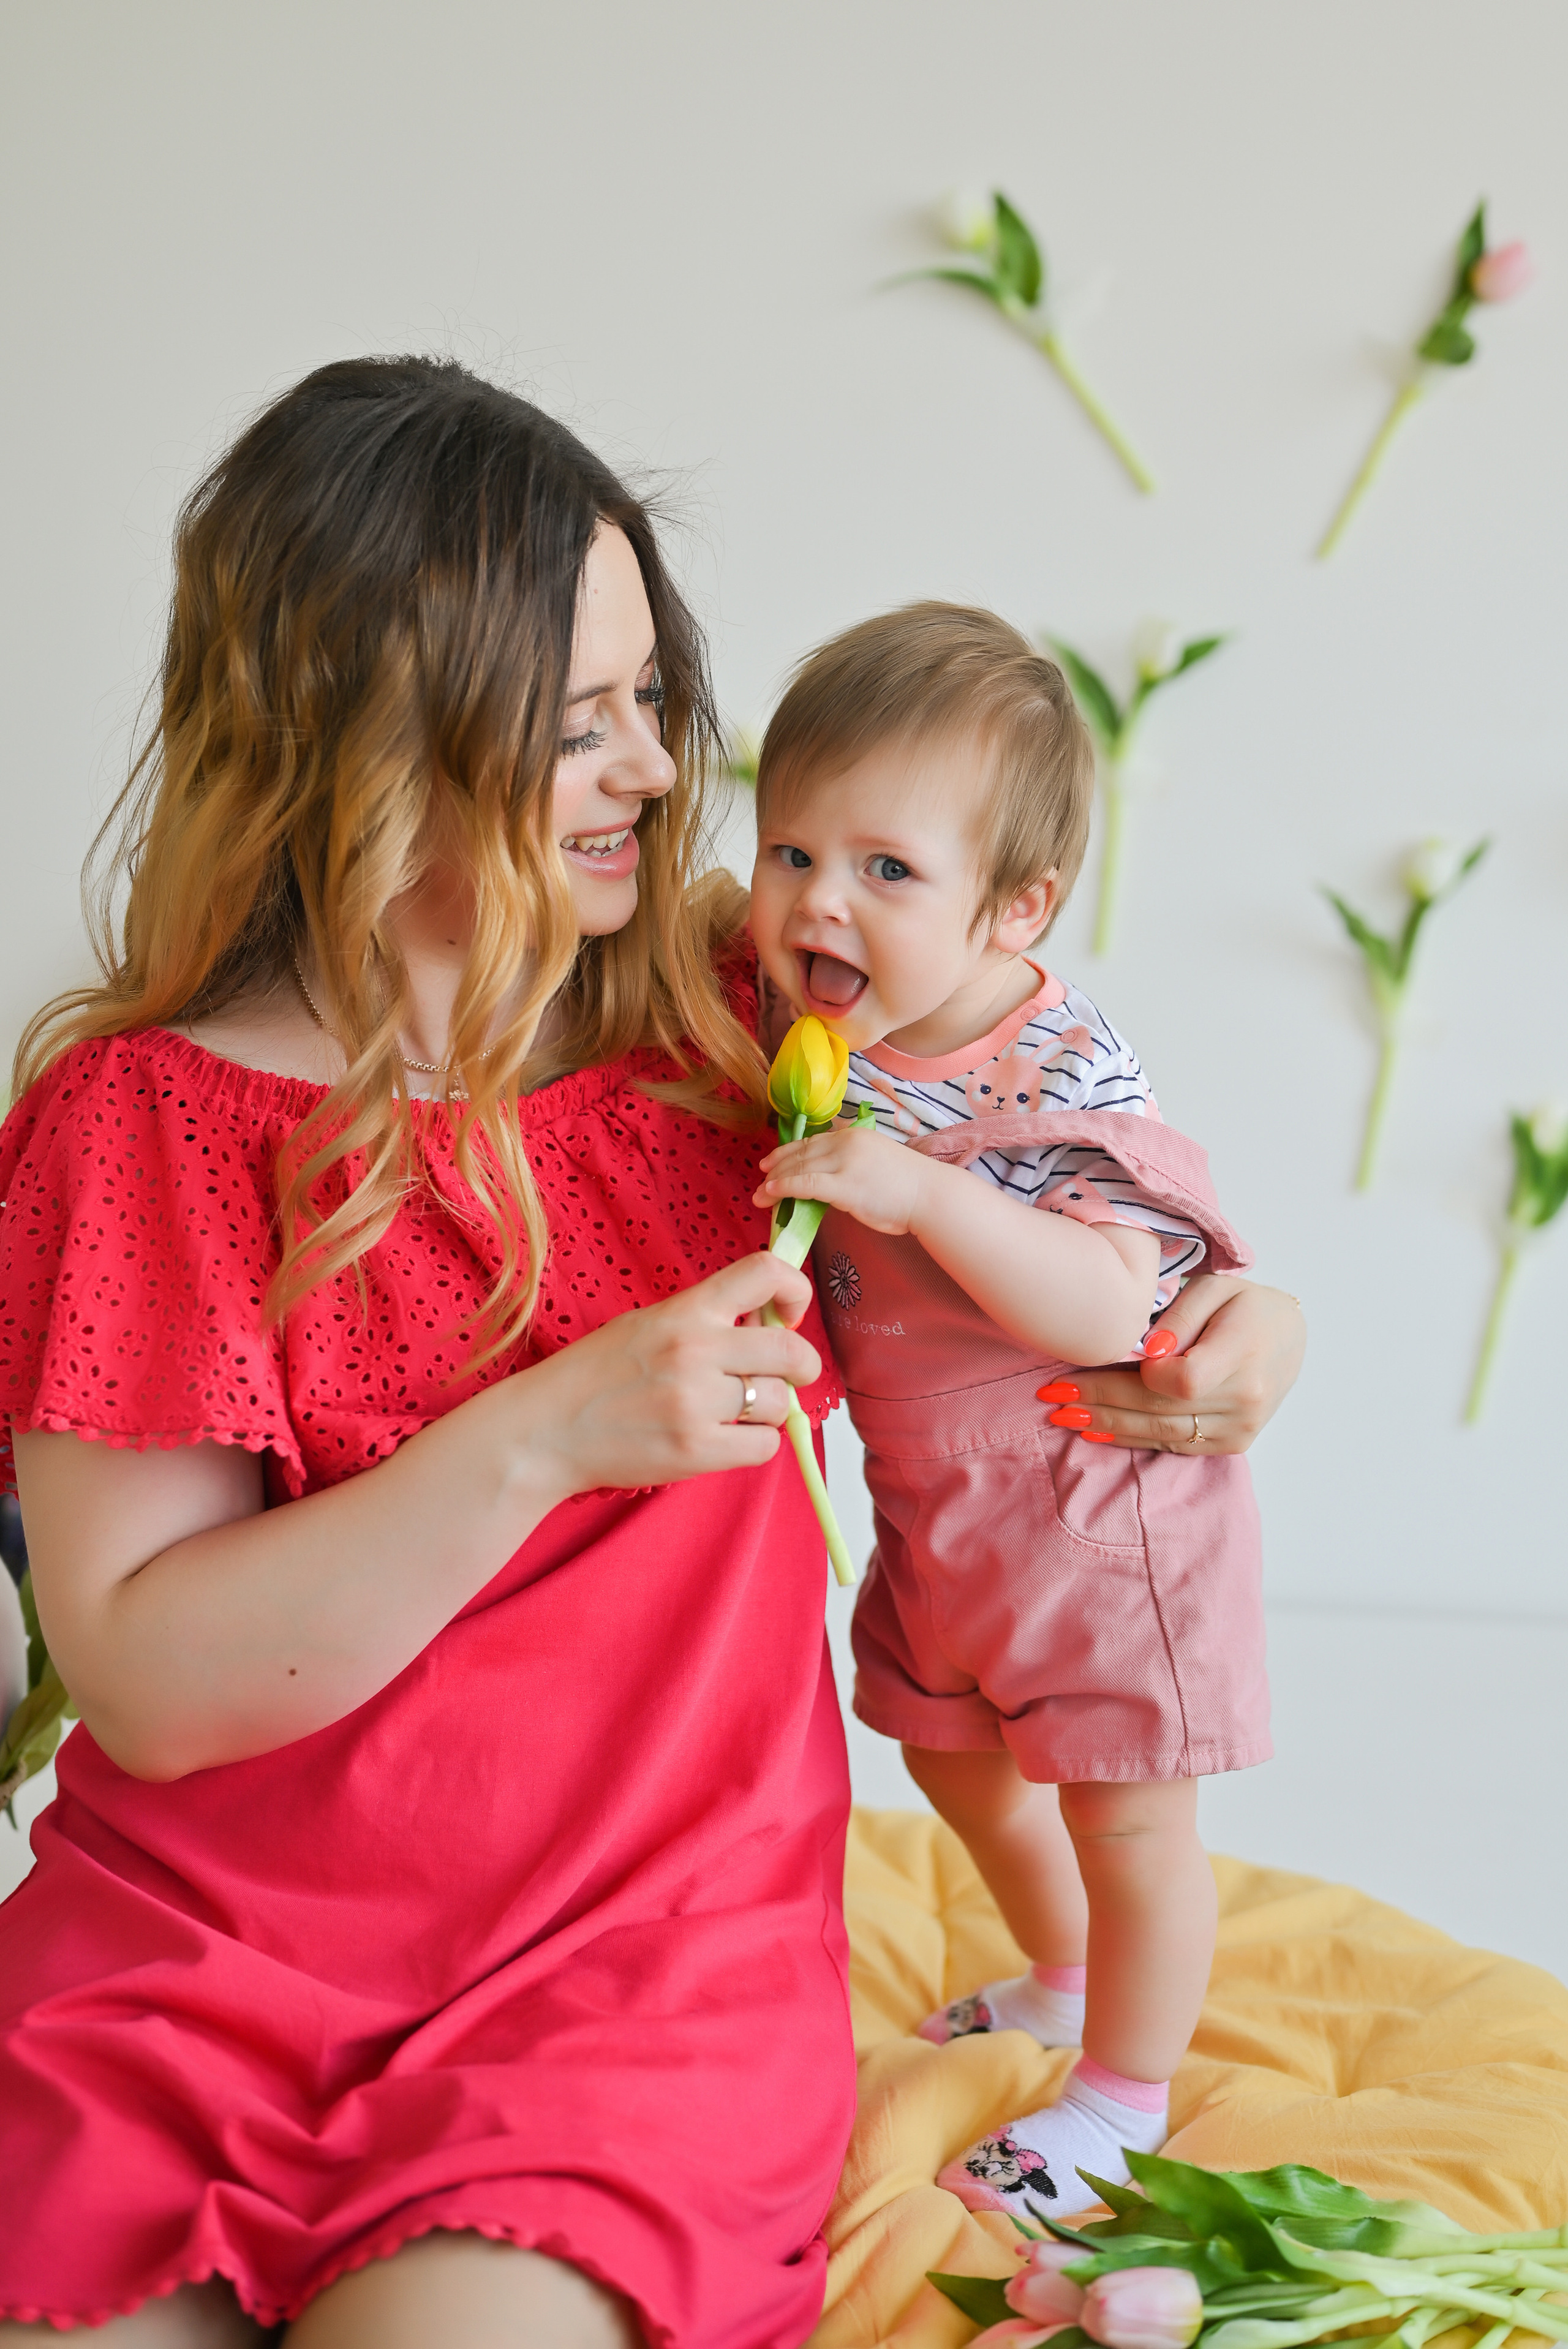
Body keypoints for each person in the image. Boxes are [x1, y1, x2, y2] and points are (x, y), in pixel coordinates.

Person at [0, 363, 1303, 2348]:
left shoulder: (742, 1016)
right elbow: (154, 1682)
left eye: (646, 702)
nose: (651, 771)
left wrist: (1248, 1308)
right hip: (193, 1972)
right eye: (573, 719)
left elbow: (1064, 1144)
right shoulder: (144, 1121)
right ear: (364, 740)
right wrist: (541, 1437)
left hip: (625, 1988)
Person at [750, 605, 1295, 2220]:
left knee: (1128, 1818)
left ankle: (1123, 2096)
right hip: (954, 1522)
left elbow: (1110, 1304)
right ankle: (1059, 1973)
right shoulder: (825, 1034)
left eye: (884, 869)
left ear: (1019, 906)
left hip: (1100, 1521)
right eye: (787, 848)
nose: (816, 899)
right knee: (963, 1765)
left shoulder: (1052, 1068)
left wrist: (919, 1190)